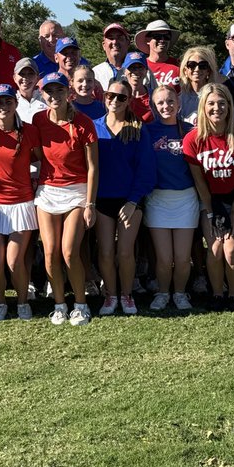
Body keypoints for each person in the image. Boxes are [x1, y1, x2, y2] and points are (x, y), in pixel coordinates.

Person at [183, 83, 234, 310]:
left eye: (222, 103)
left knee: (231, 249)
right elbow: (200, 182)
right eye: (211, 103)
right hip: (211, 199)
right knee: (215, 249)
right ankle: (217, 294)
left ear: (230, 106)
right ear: (203, 107)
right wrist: (211, 212)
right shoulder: (193, 139)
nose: (217, 108)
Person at [33, 72, 98, 325]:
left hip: (77, 193)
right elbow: (38, 154)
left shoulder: (83, 123)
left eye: (59, 90)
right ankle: (59, 305)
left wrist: (90, 204)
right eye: (49, 91)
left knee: (69, 252)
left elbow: (93, 167)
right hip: (47, 192)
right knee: (50, 253)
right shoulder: (38, 120)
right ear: (42, 94)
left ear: (68, 92)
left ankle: (81, 305)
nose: (54, 96)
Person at [93, 78, 156, 315]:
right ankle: (110, 295)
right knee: (106, 251)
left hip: (130, 200)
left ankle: (127, 295)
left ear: (129, 100)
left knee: (125, 252)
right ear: (104, 96)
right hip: (102, 199)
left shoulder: (138, 128)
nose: (115, 101)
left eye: (121, 97)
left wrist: (133, 201)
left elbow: (146, 170)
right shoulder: (93, 127)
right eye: (111, 95)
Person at [0, 84, 42, 321]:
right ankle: (0, 304)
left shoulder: (29, 131)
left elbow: (41, 159)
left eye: (8, 101)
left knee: (14, 260)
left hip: (22, 204)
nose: (3, 106)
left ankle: (22, 302)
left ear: (15, 103)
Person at [143, 84, 198, 311]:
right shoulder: (147, 131)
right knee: (164, 258)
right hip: (158, 200)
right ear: (153, 106)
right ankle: (163, 293)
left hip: (186, 199)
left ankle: (180, 293)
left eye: (170, 101)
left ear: (179, 103)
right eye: (160, 103)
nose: (166, 106)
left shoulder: (191, 130)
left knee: (183, 258)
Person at [178, 46, 220, 124]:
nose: (197, 69)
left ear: (208, 71)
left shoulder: (219, 97)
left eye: (203, 65)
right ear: (185, 71)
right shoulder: (178, 100)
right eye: (192, 65)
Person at [135, 19, 181, 88]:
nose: (162, 40)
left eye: (166, 37)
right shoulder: (140, 66)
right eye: (157, 37)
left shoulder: (180, 65)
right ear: (147, 40)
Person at [93, 22, 131, 90]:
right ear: (104, 45)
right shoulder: (95, 73)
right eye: (111, 38)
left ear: (128, 43)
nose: (115, 42)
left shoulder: (141, 70)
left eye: (119, 38)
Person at [122, 52, 155, 123]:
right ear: (124, 71)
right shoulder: (118, 96)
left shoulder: (154, 96)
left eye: (140, 67)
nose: (136, 71)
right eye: (131, 67)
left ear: (146, 71)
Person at [13, 57, 47, 123]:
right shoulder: (10, 102)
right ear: (14, 78)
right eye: (22, 74)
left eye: (30, 74)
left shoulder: (47, 98)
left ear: (38, 77)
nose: (26, 78)